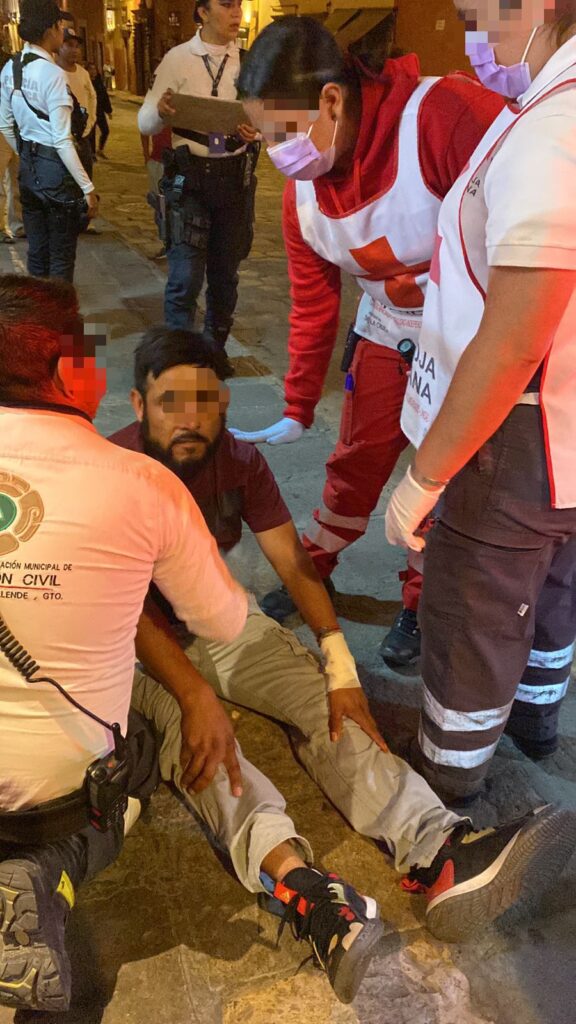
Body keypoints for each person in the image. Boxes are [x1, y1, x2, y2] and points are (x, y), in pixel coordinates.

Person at [111, 327, 576, 964]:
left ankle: (440, 849)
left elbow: (293, 562)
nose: (191, 419)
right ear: (139, 405)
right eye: (171, 403)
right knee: (201, 745)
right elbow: (128, 610)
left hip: (218, 619)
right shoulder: (114, 473)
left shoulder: (238, 460)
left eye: (206, 402)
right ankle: (303, 889)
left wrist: (338, 662)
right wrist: (194, 697)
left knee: (330, 705)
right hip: (130, 644)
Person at [229, 18, 506, 669]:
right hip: (386, 330)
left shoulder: (442, 117)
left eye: (280, 132)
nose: (275, 154)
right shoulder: (302, 199)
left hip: (467, 340)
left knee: (440, 477)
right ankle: (315, 565)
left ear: (331, 100)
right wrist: (298, 403)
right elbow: (314, 301)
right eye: (263, 137)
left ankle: (421, 598)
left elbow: (521, 220)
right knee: (355, 459)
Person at [384, 1, 576, 803]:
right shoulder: (541, 108)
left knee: (475, 609)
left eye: (479, 16)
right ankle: (535, 721)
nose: (472, 40)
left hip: (518, 428)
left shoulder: (552, 129)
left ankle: (449, 779)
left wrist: (425, 475)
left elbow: (514, 337)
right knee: (554, 586)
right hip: (560, 423)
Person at [137, 0, 260, 346]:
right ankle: (179, 356)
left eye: (239, 4)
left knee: (225, 278)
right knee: (185, 277)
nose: (236, 12)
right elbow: (144, 123)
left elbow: (279, 121)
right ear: (203, 12)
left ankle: (214, 352)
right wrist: (160, 112)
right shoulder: (177, 59)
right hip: (186, 179)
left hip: (233, 179)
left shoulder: (250, 62)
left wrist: (258, 131)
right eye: (226, 4)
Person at [0, 0, 97, 281]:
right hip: (56, 173)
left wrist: (26, 155)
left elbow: (5, 124)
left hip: (29, 170)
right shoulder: (53, 74)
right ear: (50, 29)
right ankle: (59, 309)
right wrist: (87, 187)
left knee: (38, 253)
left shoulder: (10, 68)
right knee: (61, 258)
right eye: (60, 27)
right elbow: (62, 140)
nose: (62, 33)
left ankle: (39, 308)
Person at [56, 25, 96, 178]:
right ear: (60, 47)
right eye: (69, 45)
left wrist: (89, 123)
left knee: (86, 178)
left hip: (82, 138)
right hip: (62, 140)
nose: (74, 50)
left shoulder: (83, 73)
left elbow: (92, 97)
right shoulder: (52, 72)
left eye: (77, 46)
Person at [0, 131, 24, 241]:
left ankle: (18, 225)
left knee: (18, 181)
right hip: (3, 131)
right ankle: (1, 228)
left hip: (18, 130)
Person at [87, 60, 112, 160]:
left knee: (105, 130)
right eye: (91, 69)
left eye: (94, 69)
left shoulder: (99, 82)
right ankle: (92, 153)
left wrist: (109, 110)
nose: (93, 71)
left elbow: (104, 96)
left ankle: (100, 149)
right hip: (90, 111)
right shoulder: (86, 82)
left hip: (99, 111)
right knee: (91, 134)